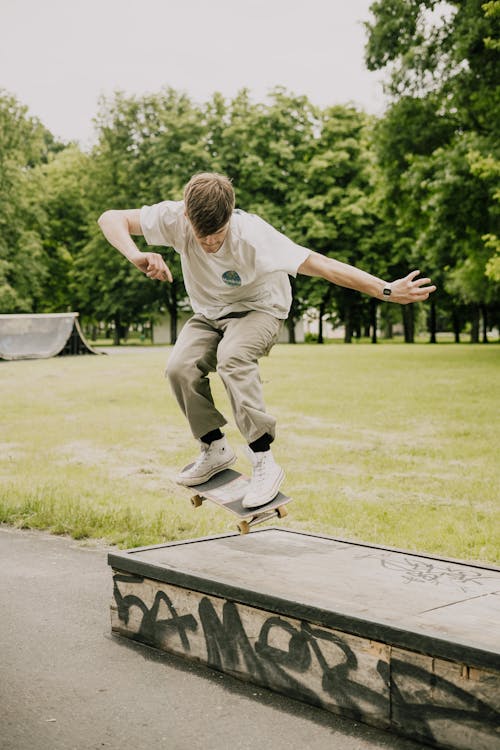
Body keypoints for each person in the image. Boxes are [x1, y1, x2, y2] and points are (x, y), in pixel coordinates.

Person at [98, 172, 436, 508]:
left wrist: (385, 289)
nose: (209, 244)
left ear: (230, 217)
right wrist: (135, 255)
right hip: (210, 314)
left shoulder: (254, 235)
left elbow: (322, 264)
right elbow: (111, 218)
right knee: (178, 368)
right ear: (187, 216)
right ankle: (214, 447)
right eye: (202, 236)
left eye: (216, 235)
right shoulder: (173, 217)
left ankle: (263, 460)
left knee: (232, 358)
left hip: (261, 311)